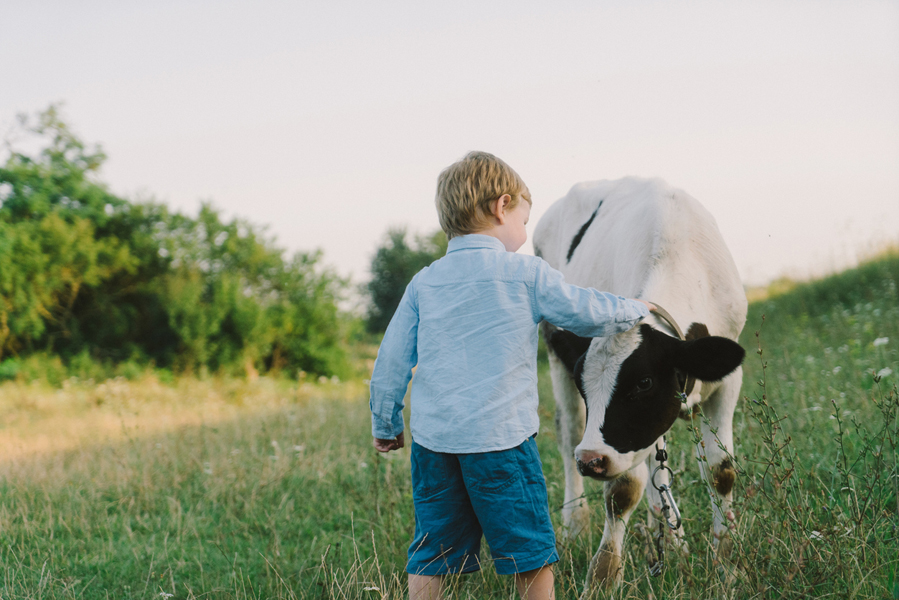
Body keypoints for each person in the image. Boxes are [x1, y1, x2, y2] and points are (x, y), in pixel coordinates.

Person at [370, 151, 653, 600]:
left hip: (435, 445)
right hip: (501, 443)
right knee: (529, 553)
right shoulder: (525, 273)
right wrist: (636, 309)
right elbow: (584, 311)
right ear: (502, 206)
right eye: (523, 221)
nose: (525, 234)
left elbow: (390, 363)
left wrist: (385, 423)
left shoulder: (424, 282)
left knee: (431, 551)